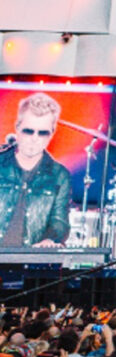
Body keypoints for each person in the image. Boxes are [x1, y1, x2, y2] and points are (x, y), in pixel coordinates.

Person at [0, 92, 72, 247]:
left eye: (42, 133)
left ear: (52, 133)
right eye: (28, 131)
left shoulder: (60, 175)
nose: (34, 138)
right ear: (17, 128)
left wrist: (49, 240)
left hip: (32, 266)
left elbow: (60, 221)